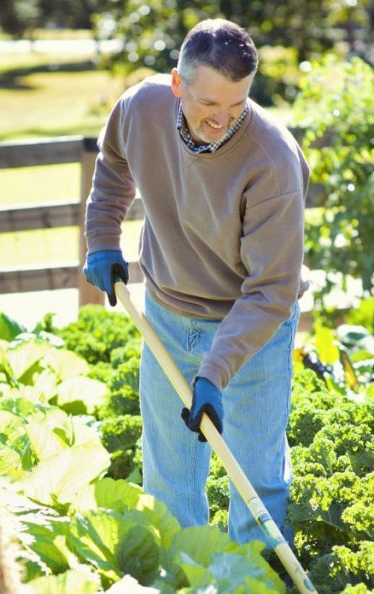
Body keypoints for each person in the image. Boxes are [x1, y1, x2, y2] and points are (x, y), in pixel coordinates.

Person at [82, 18, 309, 550]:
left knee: (256, 481)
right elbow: (114, 162)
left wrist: (215, 370)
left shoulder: (272, 160)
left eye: (237, 105)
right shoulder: (142, 108)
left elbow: (271, 291)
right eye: (208, 104)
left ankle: (255, 577)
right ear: (177, 84)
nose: (222, 120)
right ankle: (183, 577)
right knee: (169, 480)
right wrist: (102, 238)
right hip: (167, 315)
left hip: (250, 333)